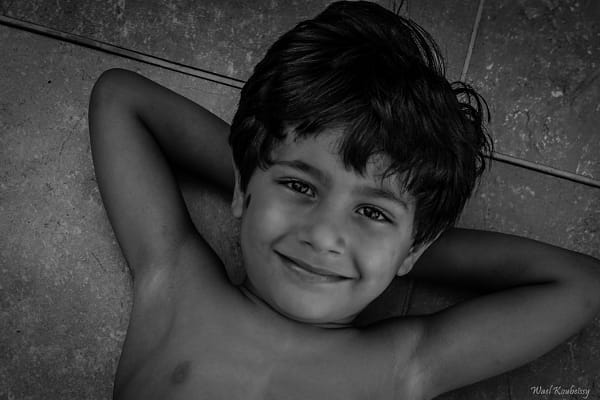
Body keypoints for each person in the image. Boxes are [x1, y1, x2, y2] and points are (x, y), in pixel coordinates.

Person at [88, 1, 600, 399]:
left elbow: (581, 284)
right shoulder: (177, 285)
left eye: (372, 211)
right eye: (300, 187)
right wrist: (255, 173)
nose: (323, 235)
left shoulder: (406, 364)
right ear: (244, 187)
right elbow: (120, 97)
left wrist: (407, 243)